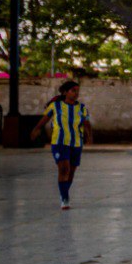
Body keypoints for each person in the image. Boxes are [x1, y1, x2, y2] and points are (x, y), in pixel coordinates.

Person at [30, 80, 92, 210]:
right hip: (59, 142)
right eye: (73, 91)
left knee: (71, 171)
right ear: (65, 92)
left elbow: (86, 123)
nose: (76, 93)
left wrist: (88, 135)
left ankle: (64, 192)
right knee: (64, 169)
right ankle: (65, 198)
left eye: (77, 91)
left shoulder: (82, 108)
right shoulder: (55, 106)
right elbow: (44, 119)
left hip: (76, 143)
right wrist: (36, 129)